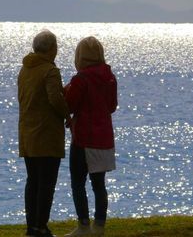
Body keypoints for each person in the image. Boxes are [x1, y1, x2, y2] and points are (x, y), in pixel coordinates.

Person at [18, 30, 71, 237]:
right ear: (51, 49)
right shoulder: (49, 70)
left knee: (32, 181)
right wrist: (68, 115)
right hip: (46, 134)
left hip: (27, 133)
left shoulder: (25, 70)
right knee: (47, 183)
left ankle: (32, 226)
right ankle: (41, 226)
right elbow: (54, 98)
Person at [64, 37, 118, 237]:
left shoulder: (80, 80)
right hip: (104, 138)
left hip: (83, 138)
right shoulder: (109, 77)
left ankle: (84, 226)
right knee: (99, 184)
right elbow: (112, 106)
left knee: (78, 183)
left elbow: (69, 105)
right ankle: (100, 226)